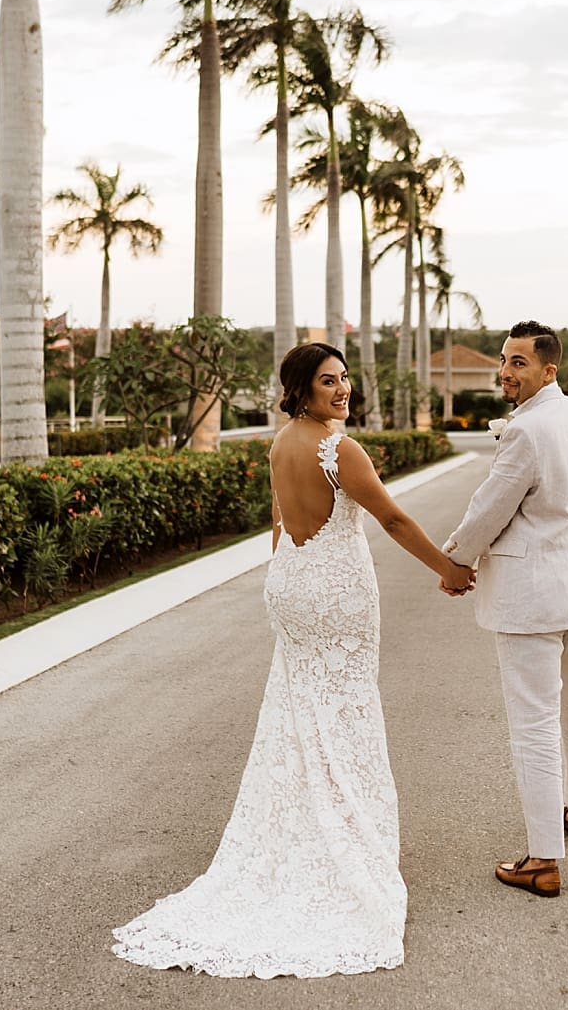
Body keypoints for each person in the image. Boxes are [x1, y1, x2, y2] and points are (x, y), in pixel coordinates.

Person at [111, 341, 474, 977]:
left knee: (300, 706)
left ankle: (305, 826)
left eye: (345, 381)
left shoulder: (281, 442)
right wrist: (450, 568)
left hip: (293, 583)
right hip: (335, 592)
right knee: (344, 710)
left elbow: (279, 517)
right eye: (329, 382)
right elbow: (388, 519)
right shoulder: (339, 449)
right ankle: (345, 840)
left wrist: (283, 571)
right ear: (302, 387)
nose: (343, 391)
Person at [441, 321, 568, 898]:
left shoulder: (529, 432)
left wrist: (456, 561)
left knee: (534, 721)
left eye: (519, 362)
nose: (506, 371)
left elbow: (490, 508)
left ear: (548, 370)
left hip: (532, 598)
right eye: (505, 360)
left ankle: (543, 860)